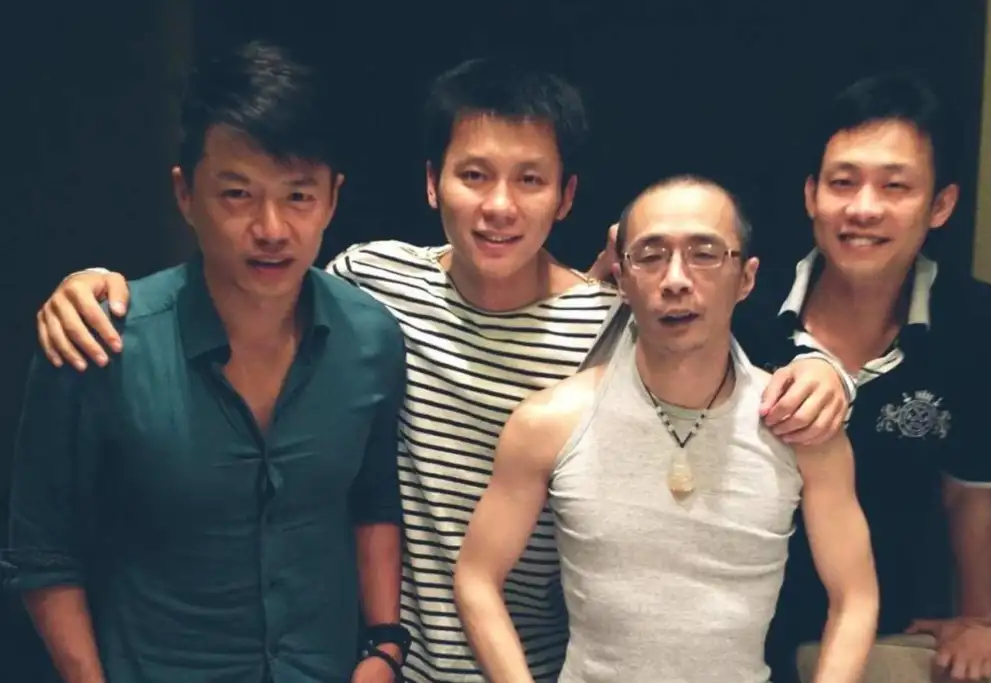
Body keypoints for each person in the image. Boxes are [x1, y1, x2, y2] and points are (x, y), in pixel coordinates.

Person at [28, 57, 854, 682]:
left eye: (529, 180)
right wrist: (92, 282)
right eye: (473, 175)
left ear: (565, 198)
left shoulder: (613, 321)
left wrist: (821, 368)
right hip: (387, 664)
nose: (499, 205)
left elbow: (710, 333)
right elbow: (251, 283)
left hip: (537, 664)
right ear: (432, 184)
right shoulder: (371, 285)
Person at [3, 40, 410, 683]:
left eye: (298, 196)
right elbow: (42, 552)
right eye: (238, 194)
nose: (271, 228)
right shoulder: (100, 343)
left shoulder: (372, 338)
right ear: (186, 194)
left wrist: (384, 646)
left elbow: (373, 499)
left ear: (332, 199)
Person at [455, 176, 878, 683]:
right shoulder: (550, 422)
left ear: (746, 278)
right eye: (650, 256)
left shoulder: (799, 426)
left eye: (705, 254)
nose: (676, 279)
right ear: (622, 279)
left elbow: (855, 597)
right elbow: (477, 577)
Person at [746, 74, 991, 683]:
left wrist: (978, 617)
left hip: (891, 620)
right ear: (811, 194)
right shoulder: (747, 306)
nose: (863, 209)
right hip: (743, 620)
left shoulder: (976, 321)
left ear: (940, 205)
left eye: (895, 186)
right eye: (843, 183)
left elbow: (969, 490)